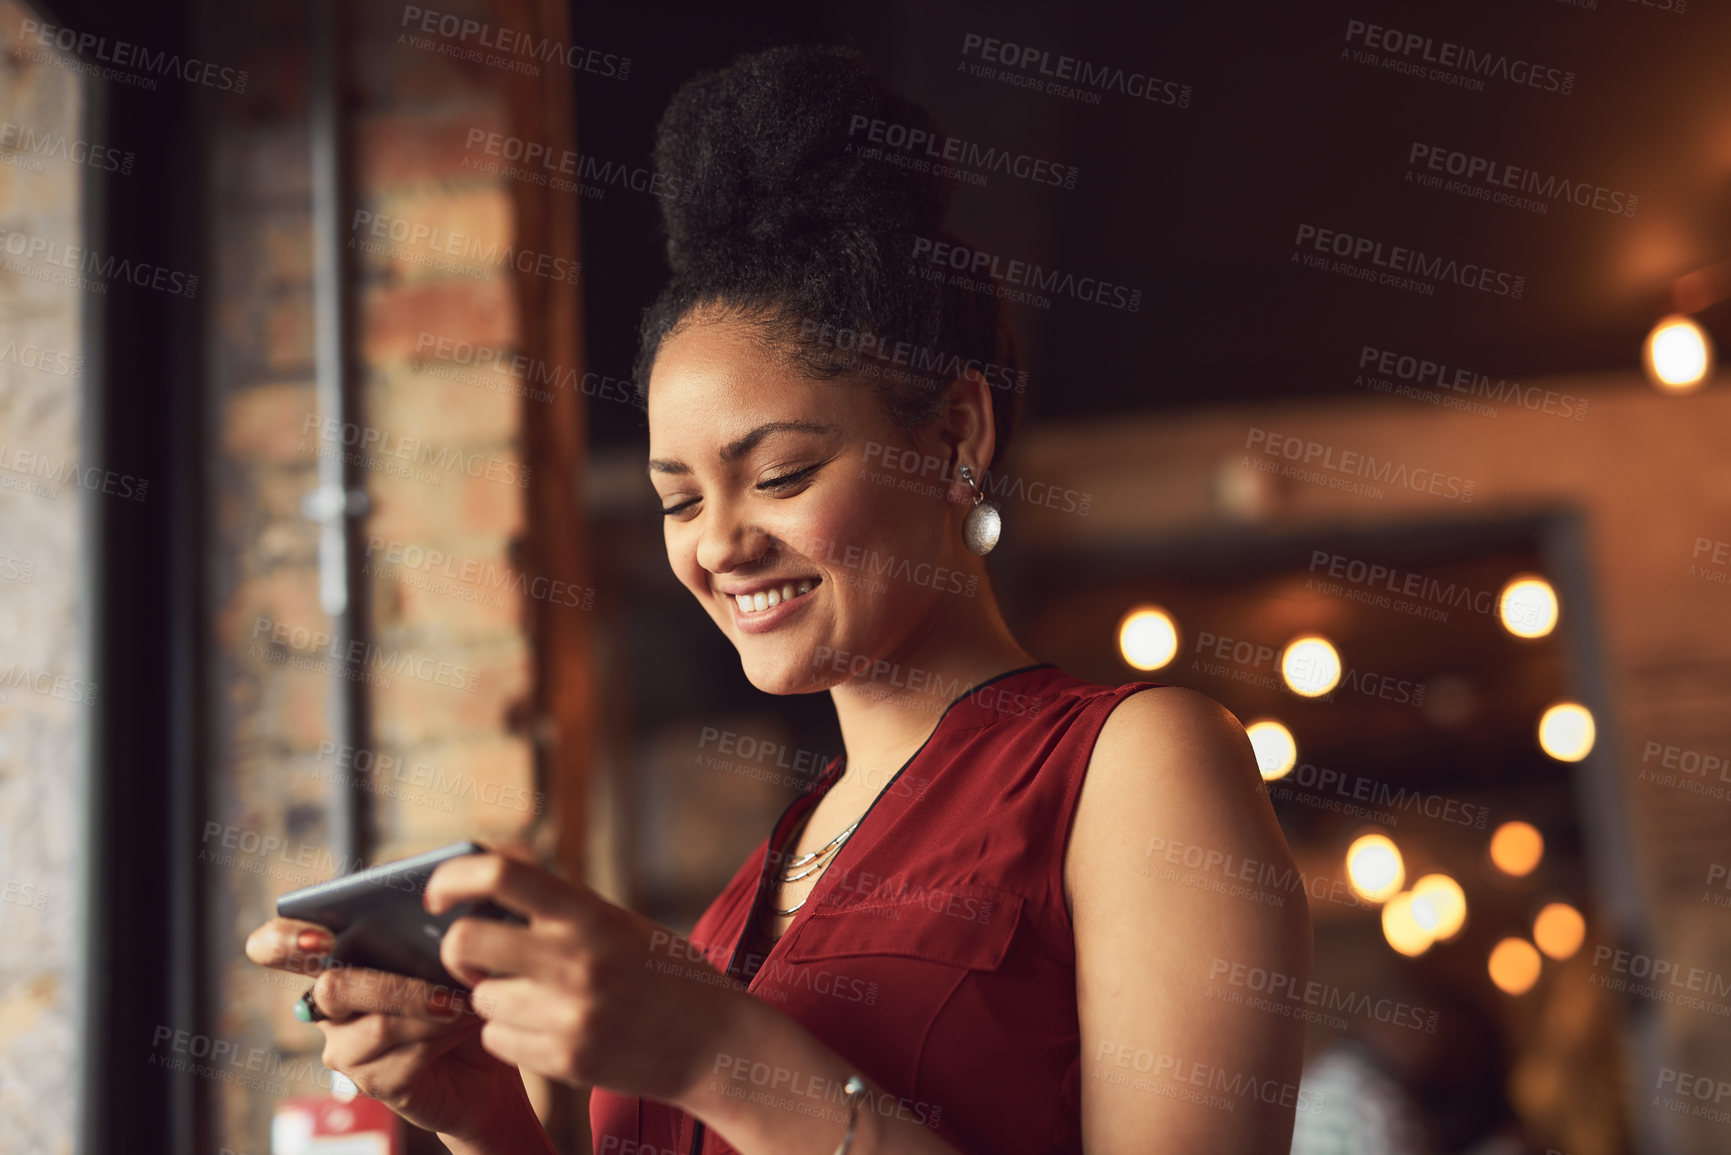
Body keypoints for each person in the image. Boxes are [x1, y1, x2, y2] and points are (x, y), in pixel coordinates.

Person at [247, 44, 1311, 1155]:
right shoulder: (756, 890)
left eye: (781, 476)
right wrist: (484, 1122)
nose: (720, 545)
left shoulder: (1136, 767)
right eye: (677, 502)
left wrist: (717, 1054)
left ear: (955, 435)